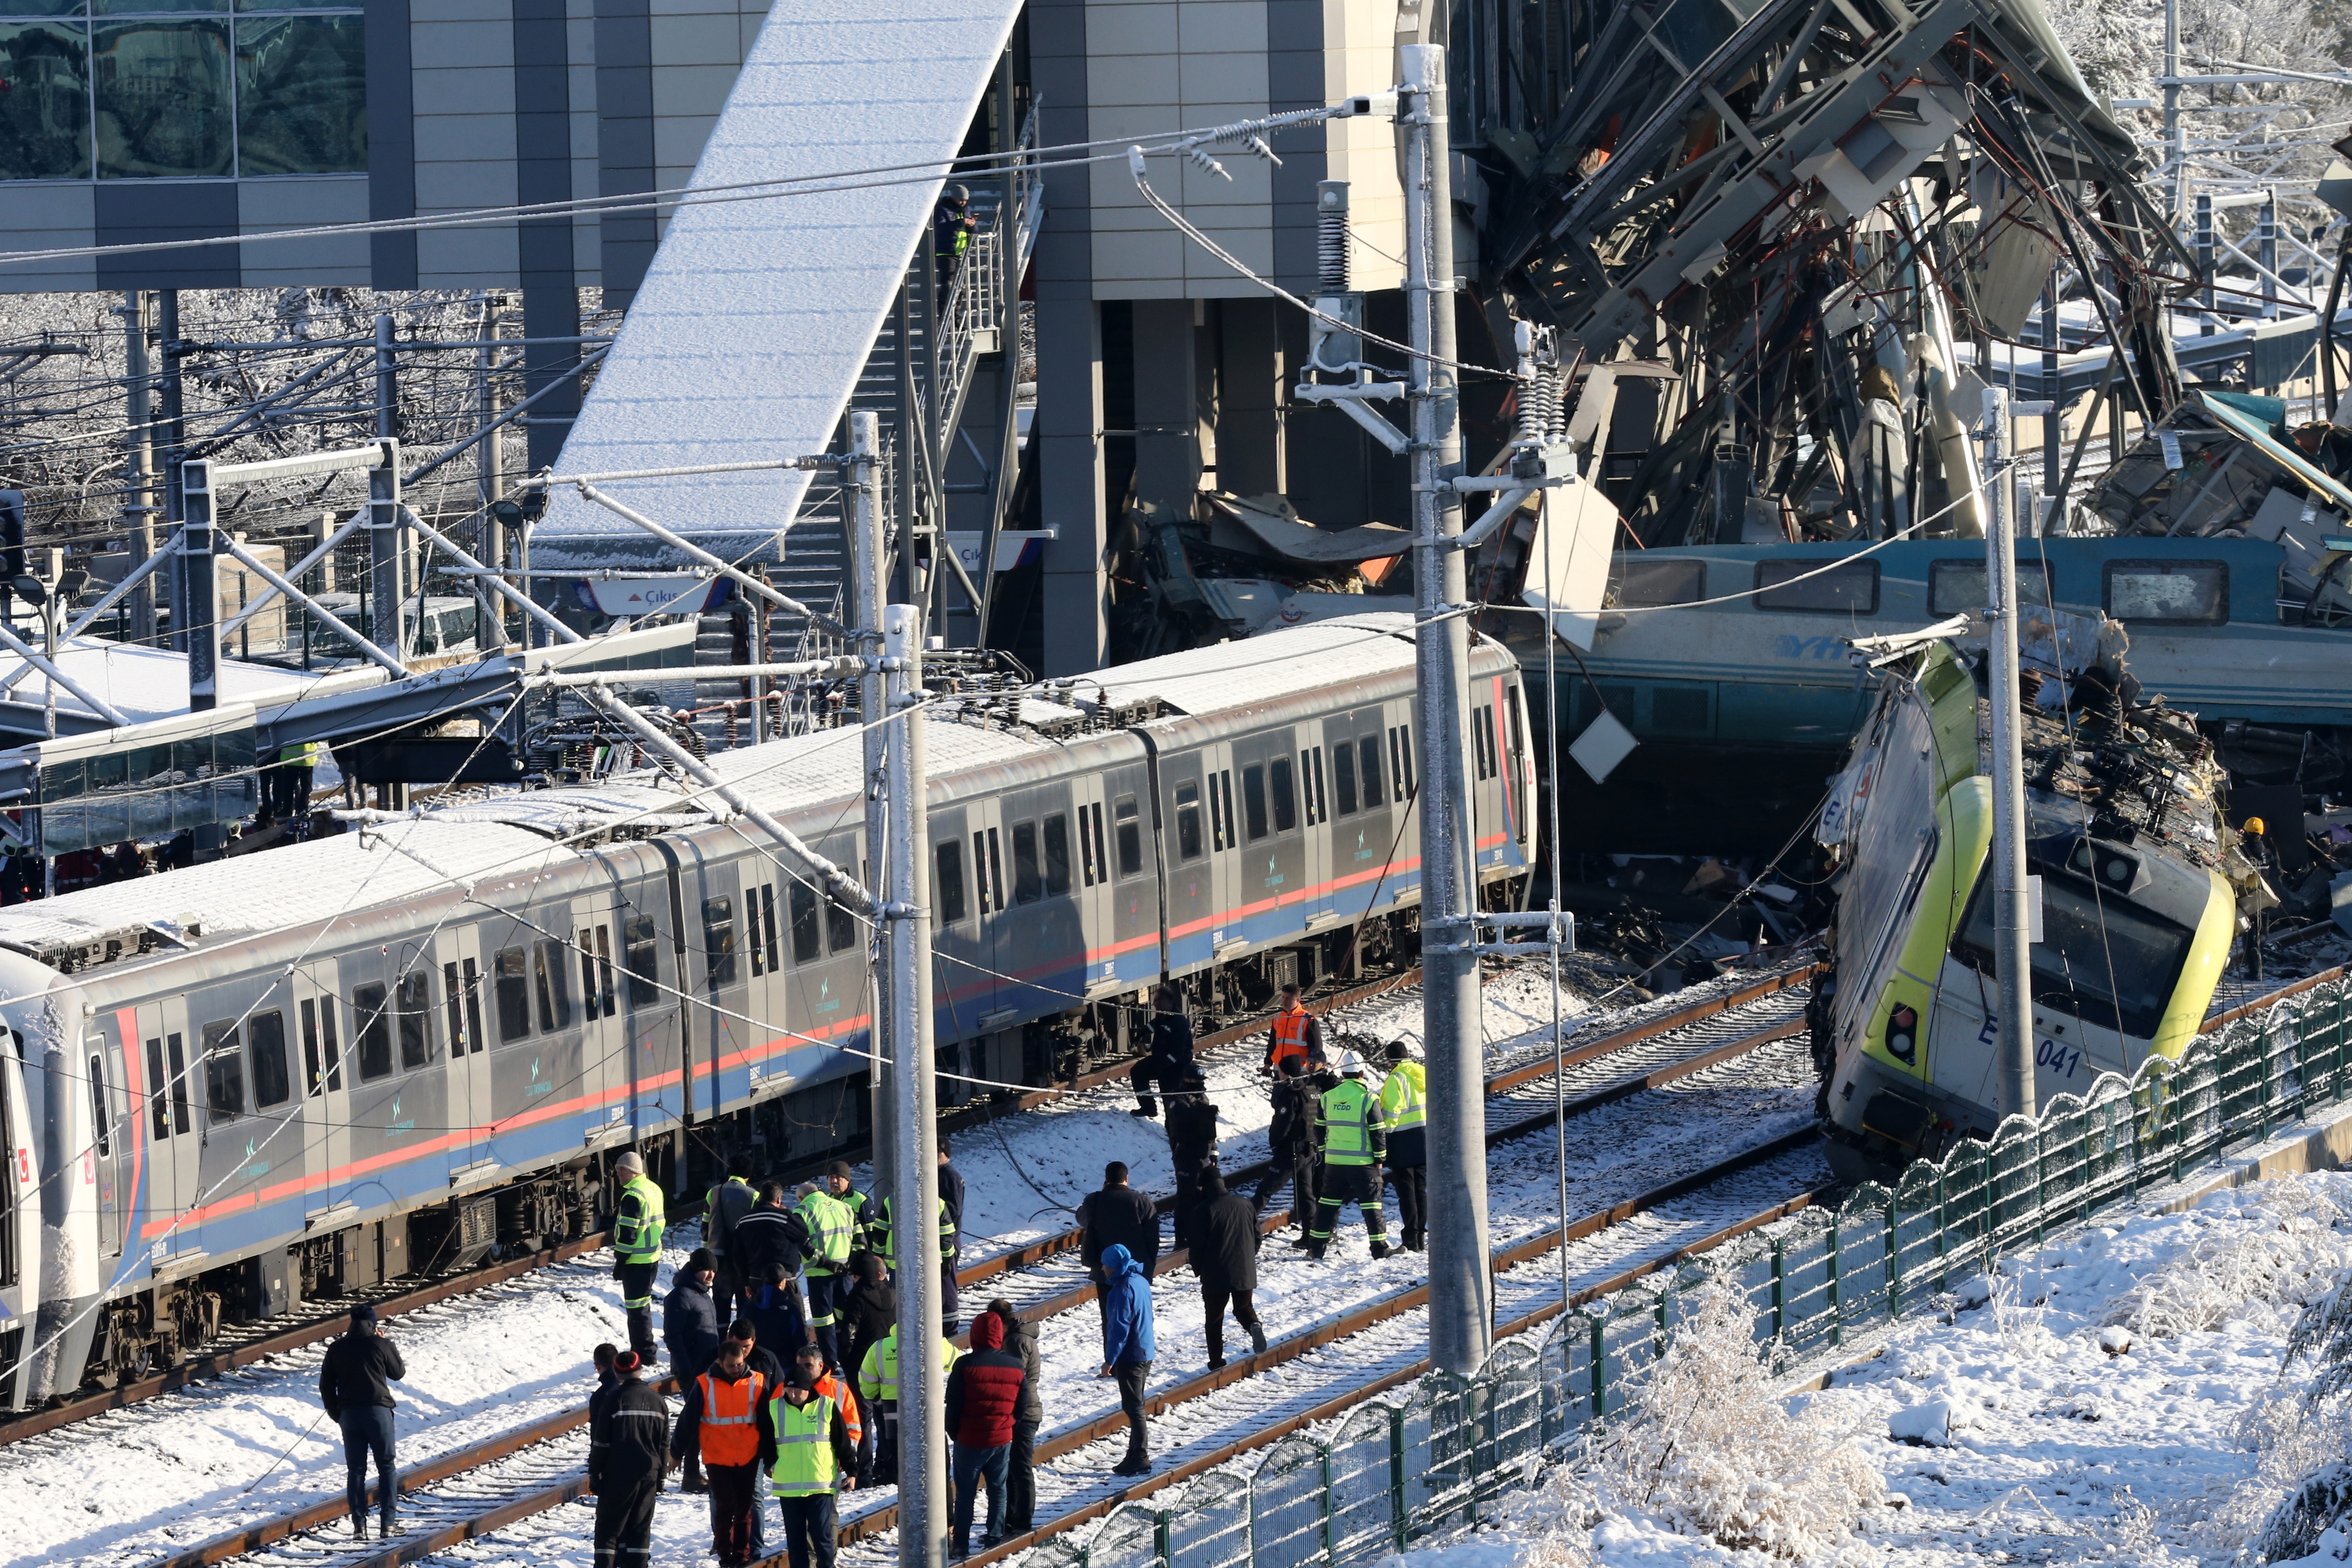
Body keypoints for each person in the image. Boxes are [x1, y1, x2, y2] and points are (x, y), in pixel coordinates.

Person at [758, 1341, 860, 1568]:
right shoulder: (776, 1405)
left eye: (808, 1365)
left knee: (823, 1535)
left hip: (821, 1481)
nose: (793, 1394)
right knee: (796, 1542)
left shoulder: (831, 1400)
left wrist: (850, 1468)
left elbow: (846, 1437)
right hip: (790, 1484)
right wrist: (770, 1463)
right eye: (790, 1389)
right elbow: (766, 1437)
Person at [673, 1331, 770, 1567]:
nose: (736, 1369)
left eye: (739, 1365)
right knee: (725, 1508)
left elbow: (767, 1422)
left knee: (745, 1511)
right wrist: (676, 1453)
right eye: (731, 1366)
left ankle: (743, 1556)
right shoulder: (704, 1384)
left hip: (748, 1456)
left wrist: (770, 1456)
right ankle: (726, 1556)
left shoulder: (757, 1382)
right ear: (719, 1363)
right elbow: (687, 1421)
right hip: (717, 1457)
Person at [319, 1303, 406, 1539]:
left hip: (349, 1416)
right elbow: (398, 1373)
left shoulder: (337, 1348)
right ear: (373, 1324)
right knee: (386, 1467)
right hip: (378, 1413)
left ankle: (360, 1527)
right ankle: (388, 1525)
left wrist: (337, 1413)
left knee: (356, 1470)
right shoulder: (380, 1344)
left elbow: (326, 1385)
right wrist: (388, 1343)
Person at [946, 1309, 1028, 1556]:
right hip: (1002, 1438)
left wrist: (955, 1433)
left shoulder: (965, 1365)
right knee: (998, 1489)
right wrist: (1009, 1423)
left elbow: (954, 1404)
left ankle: (961, 1544)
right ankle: (995, 1537)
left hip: (969, 1440)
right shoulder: (1016, 1365)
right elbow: (1022, 1405)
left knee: (966, 1494)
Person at [589, 1350, 669, 1568]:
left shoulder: (614, 1399)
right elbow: (663, 1445)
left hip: (618, 1475)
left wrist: (594, 1473)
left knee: (608, 1530)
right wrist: (661, 1478)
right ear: (640, 1370)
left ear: (617, 1372)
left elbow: (601, 1442)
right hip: (649, 1474)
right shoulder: (658, 1401)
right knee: (640, 1531)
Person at [1309, 1050, 1391, 1261]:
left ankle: (1316, 1249)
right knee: (1372, 1207)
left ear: (1343, 1074)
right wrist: (1380, 1159)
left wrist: (1327, 1153)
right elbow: (1378, 1131)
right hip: (1363, 1163)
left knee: (1327, 1206)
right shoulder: (1368, 1099)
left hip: (1335, 1163)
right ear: (1362, 1074)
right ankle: (1380, 1250)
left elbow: (1319, 1130)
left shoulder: (1328, 1098)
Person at [858, 1320, 959, 1487]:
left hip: (893, 1418)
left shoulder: (879, 1347)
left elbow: (866, 1382)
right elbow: (957, 1362)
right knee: (934, 1468)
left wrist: (877, 1398)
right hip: (927, 1416)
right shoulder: (934, 1341)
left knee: (902, 1466)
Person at [1191, 1170, 1268, 1369]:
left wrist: (1198, 1269)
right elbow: (1257, 1236)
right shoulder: (1245, 1204)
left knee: (1215, 1319)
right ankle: (1254, 1326)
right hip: (1244, 1270)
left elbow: (1197, 1246)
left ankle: (1216, 1361)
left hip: (1215, 1274)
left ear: (1205, 1186)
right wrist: (1248, 1259)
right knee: (1244, 1308)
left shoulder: (1203, 1210)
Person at [1096, 1242, 1156, 1476]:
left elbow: (1119, 1329)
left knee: (1134, 1408)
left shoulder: (1121, 1291)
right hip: (1146, 1350)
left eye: (1105, 1264)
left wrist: (1109, 1359)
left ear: (1114, 1266)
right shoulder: (1140, 1281)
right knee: (1136, 1404)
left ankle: (1140, 1457)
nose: (1102, 1268)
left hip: (1132, 1354)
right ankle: (1134, 1455)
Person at [666, 1247, 724, 1490]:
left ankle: (696, 1470)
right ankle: (690, 1473)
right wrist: (687, 1369)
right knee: (694, 1421)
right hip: (692, 1370)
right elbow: (674, 1337)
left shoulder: (702, 1294)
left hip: (706, 1368)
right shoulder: (681, 1296)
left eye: (713, 1270)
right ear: (695, 1269)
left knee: (703, 1419)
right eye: (705, 1270)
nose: (710, 1275)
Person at [1078, 1162, 1160, 1320]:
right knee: (1135, 1321)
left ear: (1106, 1179)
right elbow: (1153, 1239)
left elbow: (1081, 1218)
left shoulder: (1094, 1200)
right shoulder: (1143, 1201)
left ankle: (1112, 1346)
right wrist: (1149, 1266)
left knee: (1110, 1322)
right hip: (1136, 1274)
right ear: (1127, 1179)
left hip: (1105, 1273)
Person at [989, 1298, 1044, 1535]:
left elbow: (1013, 1379)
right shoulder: (1018, 1338)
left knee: (1020, 1467)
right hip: (1023, 1409)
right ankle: (1014, 1516)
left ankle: (1022, 1518)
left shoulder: (1016, 1341)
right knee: (1014, 1466)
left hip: (1023, 1411)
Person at [612, 1150, 666, 1363]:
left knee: (637, 1311)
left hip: (636, 1262)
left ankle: (644, 1353)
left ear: (632, 1171)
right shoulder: (653, 1188)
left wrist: (620, 1261)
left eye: (621, 1170)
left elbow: (628, 1233)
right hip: (652, 1257)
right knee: (643, 1307)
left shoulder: (633, 1195)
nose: (618, 1174)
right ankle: (645, 1350)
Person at [1254, 1057, 1318, 1234]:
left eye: (1280, 1071)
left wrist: (1275, 1145)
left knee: (1264, 1192)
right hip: (1310, 1151)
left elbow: (1282, 1125)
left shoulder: (1291, 1094)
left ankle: (1240, 1226)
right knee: (1306, 1195)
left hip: (1292, 1152)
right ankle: (1310, 1235)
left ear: (1285, 1072)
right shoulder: (1312, 1090)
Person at [797, 1179, 857, 1369]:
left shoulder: (802, 1211)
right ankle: (850, 1355)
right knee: (846, 1314)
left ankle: (830, 1362)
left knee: (824, 1320)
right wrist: (851, 1262)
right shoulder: (845, 1207)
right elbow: (859, 1236)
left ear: (800, 1198)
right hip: (845, 1271)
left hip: (820, 1274)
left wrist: (826, 1263)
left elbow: (803, 1244)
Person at [734, 1182, 808, 1325]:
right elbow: (803, 1233)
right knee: (795, 1320)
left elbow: (738, 1257)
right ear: (779, 1199)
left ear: (760, 1198)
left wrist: (746, 1282)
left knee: (761, 1322)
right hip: (785, 1280)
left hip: (756, 1280)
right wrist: (787, 1212)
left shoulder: (743, 1222)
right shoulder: (784, 1217)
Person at [1380, 1040, 1429, 1252]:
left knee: (1406, 1192)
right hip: (1425, 1138)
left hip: (1402, 1141)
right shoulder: (1424, 1073)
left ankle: (1411, 1237)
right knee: (1421, 1189)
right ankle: (1420, 1234)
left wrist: (1383, 1137)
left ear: (1390, 1060)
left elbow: (1391, 1113)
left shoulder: (1396, 1079)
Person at [1163, 1068, 1220, 1250]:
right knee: (1187, 1197)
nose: (1200, 1083)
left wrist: (1213, 1153)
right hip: (1186, 1155)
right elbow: (1182, 1116)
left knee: (1204, 1194)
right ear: (1187, 1079)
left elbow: (1210, 1128)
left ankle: (1200, 1233)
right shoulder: (1177, 1098)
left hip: (1203, 1154)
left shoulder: (1202, 1098)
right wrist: (1204, 1111)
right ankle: (1181, 1237)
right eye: (1197, 1080)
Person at [842, 1251, 899, 1411]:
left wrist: (848, 1364)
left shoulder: (856, 1297)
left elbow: (848, 1334)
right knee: (889, 1413)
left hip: (863, 1362)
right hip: (891, 1360)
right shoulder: (895, 1292)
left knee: (863, 1415)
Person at [705, 1166, 760, 1324]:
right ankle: (741, 1338)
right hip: (743, 1259)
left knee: (721, 1302)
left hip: (718, 1257)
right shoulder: (753, 1195)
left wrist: (708, 1252)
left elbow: (705, 1224)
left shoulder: (714, 1192)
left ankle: (721, 1340)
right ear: (748, 1177)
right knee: (745, 1302)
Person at [1130, 985, 1195, 1118]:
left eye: (1156, 1002)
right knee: (1138, 1071)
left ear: (1166, 1001)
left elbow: (1177, 1052)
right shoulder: (1163, 1016)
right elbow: (1154, 1025)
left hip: (1176, 1065)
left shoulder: (1179, 1022)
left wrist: (1162, 1066)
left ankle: (1173, 1128)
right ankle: (1148, 1108)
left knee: (1170, 1097)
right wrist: (1141, 1034)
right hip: (1161, 1059)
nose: (1154, 1005)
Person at [1261, 984, 1325, 1077]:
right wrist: (1268, 1064)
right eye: (1283, 997)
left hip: (1300, 1071)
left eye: (1288, 998)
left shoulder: (1307, 1020)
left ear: (1298, 1000)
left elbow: (1316, 1048)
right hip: (1279, 1070)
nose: (1284, 1001)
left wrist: (1312, 1069)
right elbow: (1273, 1043)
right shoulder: (1278, 1018)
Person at [934, 184, 976, 286]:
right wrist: (962, 222)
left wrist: (972, 225)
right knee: (948, 285)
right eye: (961, 200)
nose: (963, 203)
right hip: (946, 253)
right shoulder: (942, 210)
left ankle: (957, 303)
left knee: (960, 286)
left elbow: (975, 231)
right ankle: (945, 303)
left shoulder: (965, 211)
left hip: (961, 252)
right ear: (953, 198)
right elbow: (941, 227)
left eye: (966, 200)